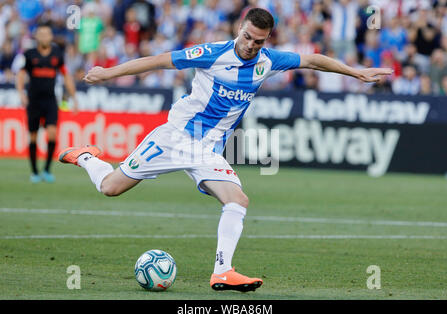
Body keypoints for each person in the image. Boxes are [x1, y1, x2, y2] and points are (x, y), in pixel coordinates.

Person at [58, 8, 392, 292]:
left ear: (267, 40)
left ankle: (222, 270)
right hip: (176, 136)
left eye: (258, 41)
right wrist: (108, 73)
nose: (250, 45)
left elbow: (313, 61)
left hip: (207, 148)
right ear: (240, 29)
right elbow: (159, 61)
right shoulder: (213, 52)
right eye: (247, 36)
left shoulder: (267, 61)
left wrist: (355, 72)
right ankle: (86, 156)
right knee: (110, 187)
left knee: (237, 200)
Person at [16, 23, 78, 183]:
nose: (44, 37)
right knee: (33, 136)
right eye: (41, 34)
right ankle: (35, 172)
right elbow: (21, 74)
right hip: (34, 101)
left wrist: (74, 98)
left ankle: (47, 170)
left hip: (50, 100)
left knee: (52, 133)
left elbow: (66, 75)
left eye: (47, 34)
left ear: (51, 37)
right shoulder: (30, 54)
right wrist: (21, 93)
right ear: (36, 37)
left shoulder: (57, 53)